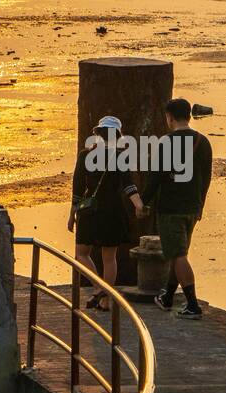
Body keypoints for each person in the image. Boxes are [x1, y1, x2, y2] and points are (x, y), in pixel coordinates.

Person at [141, 98, 213, 319]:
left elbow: (156, 177)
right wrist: (201, 203)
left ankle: (192, 304)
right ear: (189, 116)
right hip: (192, 207)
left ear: (169, 117)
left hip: (170, 207)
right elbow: (206, 177)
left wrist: (143, 202)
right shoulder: (203, 142)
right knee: (177, 252)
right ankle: (168, 296)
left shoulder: (166, 142)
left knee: (178, 254)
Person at [68, 115, 143, 310]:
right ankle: (105, 297)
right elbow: (128, 186)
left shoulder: (85, 156)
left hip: (89, 211)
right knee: (109, 258)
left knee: (81, 254)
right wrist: (138, 204)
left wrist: (71, 214)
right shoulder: (121, 156)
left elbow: (77, 189)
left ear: (98, 134)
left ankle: (98, 289)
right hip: (113, 211)